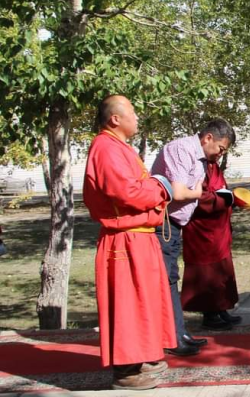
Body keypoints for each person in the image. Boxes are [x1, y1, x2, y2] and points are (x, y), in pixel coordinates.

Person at [82, 95, 176, 390]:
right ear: (115, 119)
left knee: (144, 301)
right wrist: (161, 189)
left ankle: (141, 357)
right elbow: (128, 192)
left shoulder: (118, 146)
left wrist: (154, 186)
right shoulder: (106, 148)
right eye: (132, 112)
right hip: (124, 239)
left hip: (139, 237)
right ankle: (126, 370)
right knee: (128, 304)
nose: (137, 117)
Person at [151, 119, 236, 357]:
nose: (220, 154)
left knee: (170, 279)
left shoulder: (201, 158)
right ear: (208, 138)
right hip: (163, 223)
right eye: (220, 148)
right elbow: (179, 193)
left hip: (175, 224)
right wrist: (198, 194)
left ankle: (178, 333)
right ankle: (172, 337)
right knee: (166, 279)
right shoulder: (181, 149)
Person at [179, 151, 241, 329]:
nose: (221, 153)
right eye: (220, 148)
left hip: (218, 228)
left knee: (222, 270)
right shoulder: (196, 165)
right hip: (201, 229)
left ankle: (222, 308)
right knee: (207, 272)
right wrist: (224, 200)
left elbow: (220, 188)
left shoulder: (214, 166)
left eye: (224, 150)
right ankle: (209, 315)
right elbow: (195, 196)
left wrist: (232, 199)